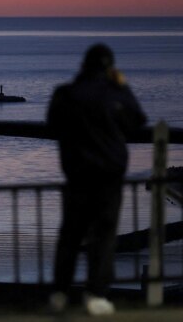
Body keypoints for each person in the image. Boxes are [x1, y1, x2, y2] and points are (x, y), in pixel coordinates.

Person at [46, 44, 147, 316]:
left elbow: (53, 124)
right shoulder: (116, 93)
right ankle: (96, 295)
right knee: (103, 238)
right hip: (108, 178)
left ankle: (59, 294)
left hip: (77, 175)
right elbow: (137, 121)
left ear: (83, 65)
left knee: (70, 237)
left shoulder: (66, 94)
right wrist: (122, 86)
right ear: (109, 68)